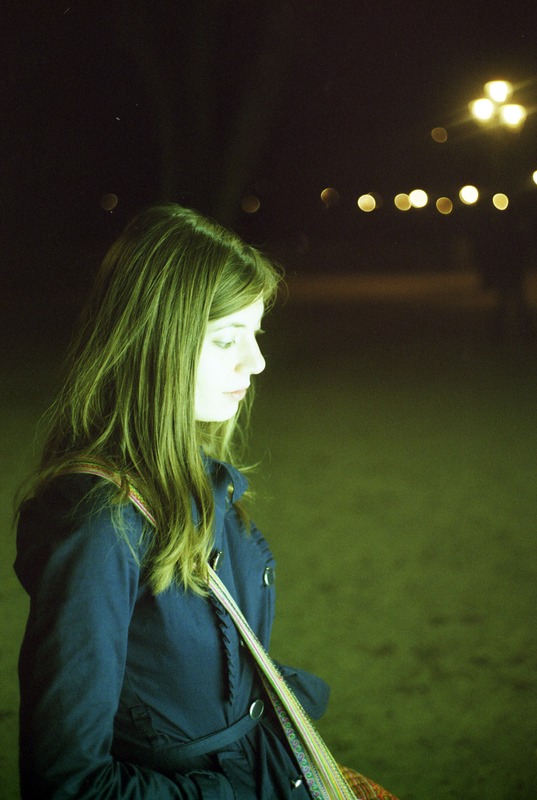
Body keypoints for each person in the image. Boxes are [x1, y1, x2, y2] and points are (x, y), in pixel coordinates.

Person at [15, 204, 397, 799]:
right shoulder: (101, 525)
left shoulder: (195, 478)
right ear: (153, 342)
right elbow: (71, 784)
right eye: (226, 339)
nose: (257, 362)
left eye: (255, 334)